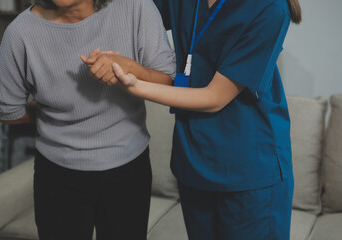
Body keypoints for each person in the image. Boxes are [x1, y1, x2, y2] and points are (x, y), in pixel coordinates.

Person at [83, 0, 302, 239]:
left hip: (250, 171)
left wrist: (135, 83)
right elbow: (130, 14)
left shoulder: (270, 7)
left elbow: (215, 97)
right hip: (194, 163)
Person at [0, 0, 176, 239]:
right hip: (56, 176)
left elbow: (167, 82)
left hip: (128, 171)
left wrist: (130, 68)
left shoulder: (135, 6)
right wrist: (52, 114)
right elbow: (8, 111)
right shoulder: (20, 32)